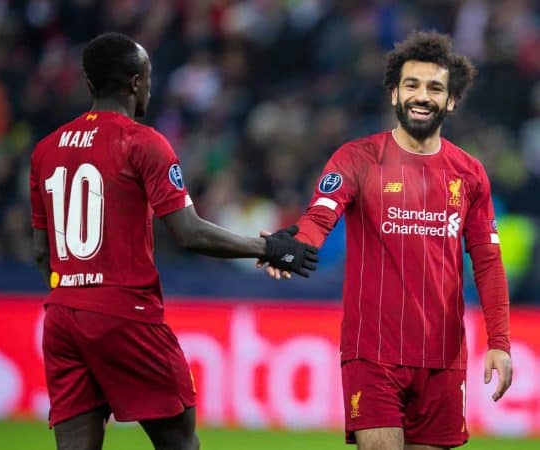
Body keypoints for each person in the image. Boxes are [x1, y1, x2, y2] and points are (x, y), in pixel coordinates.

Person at [29, 32, 318, 450]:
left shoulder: (46, 149)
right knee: (180, 442)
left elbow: (42, 251)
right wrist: (269, 247)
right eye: (147, 78)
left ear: (90, 84)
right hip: (125, 312)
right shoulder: (143, 142)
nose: (150, 86)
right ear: (134, 83)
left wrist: (74, 297)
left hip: (61, 316)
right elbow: (189, 231)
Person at [263, 31, 512, 449]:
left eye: (435, 87)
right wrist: (298, 244)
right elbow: (321, 214)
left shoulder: (470, 174)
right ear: (394, 93)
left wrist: (500, 343)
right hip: (372, 352)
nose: (421, 95)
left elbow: (488, 262)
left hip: (444, 359)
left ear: (450, 101)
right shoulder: (358, 158)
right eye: (411, 84)